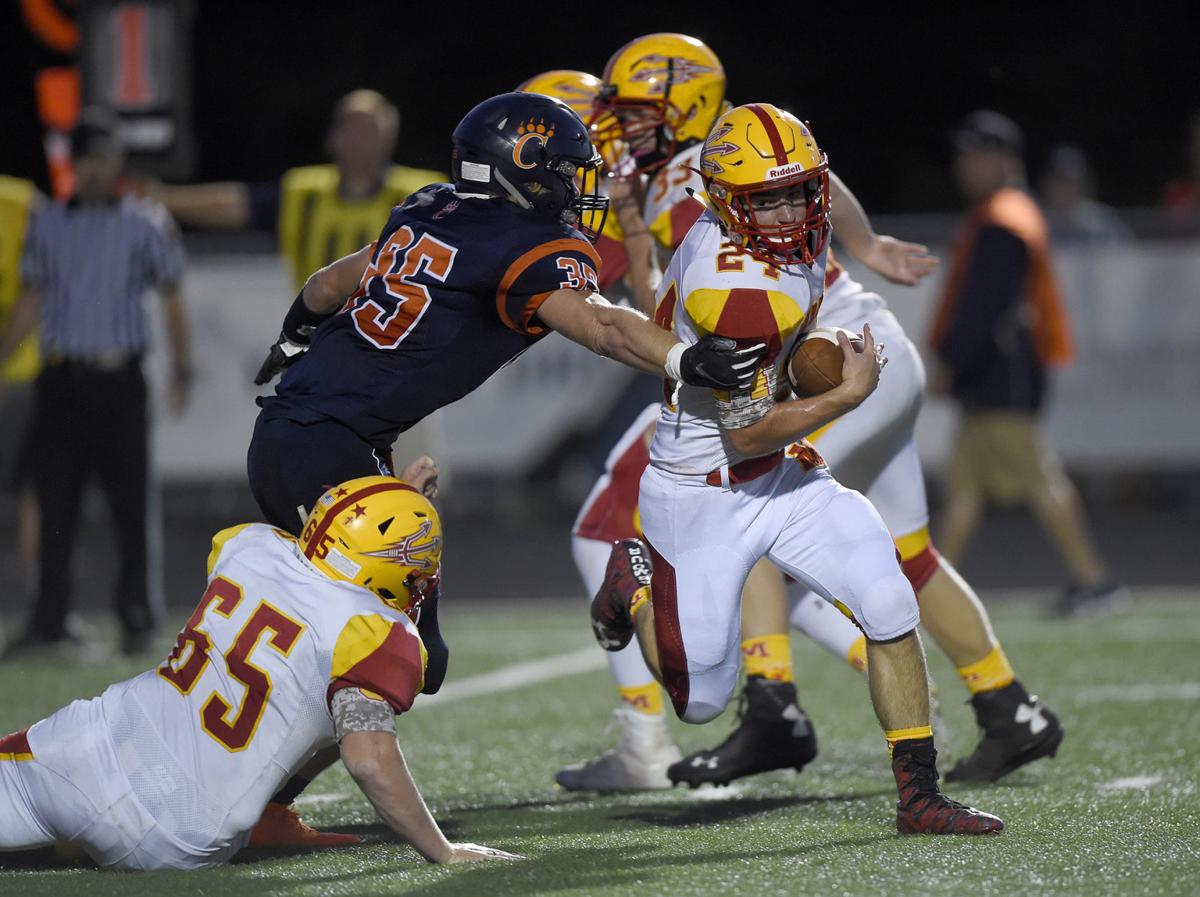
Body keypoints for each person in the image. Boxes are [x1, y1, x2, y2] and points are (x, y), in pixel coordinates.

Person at [242, 90, 762, 835]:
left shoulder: (428, 205)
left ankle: (264, 795)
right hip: (325, 450)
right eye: (564, 170)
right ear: (524, 168)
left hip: (319, 442)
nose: (575, 187)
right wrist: (687, 357)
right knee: (394, 651)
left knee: (405, 649)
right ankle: (256, 793)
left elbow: (328, 285)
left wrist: (294, 341)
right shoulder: (523, 243)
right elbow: (604, 327)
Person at [560, 35, 1061, 793]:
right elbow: (705, 271)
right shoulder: (746, 139)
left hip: (830, 364)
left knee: (751, 504)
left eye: (634, 114)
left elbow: (673, 312)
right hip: (875, 343)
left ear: (680, 104)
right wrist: (863, 242)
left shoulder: (692, 176)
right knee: (909, 555)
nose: (621, 128)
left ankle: (772, 706)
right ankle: (1008, 703)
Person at [0, 475, 521, 869]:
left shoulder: (248, 546)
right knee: (334, 708)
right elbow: (368, 759)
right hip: (179, 834)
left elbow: (313, 578)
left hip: (90, 750)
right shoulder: (374, 633)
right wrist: (443, 851)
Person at [141, 89, 451, 479]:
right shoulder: (304, 193)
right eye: (352, 127)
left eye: (371, 128)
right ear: (333, 137)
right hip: (323, 362)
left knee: (411, 493)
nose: (361, 138)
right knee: (322, 488)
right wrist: (164, 199)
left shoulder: (421, 194)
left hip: (400, 366)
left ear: (391, 136)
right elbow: (237, 204)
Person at [0, 110, 193, 658]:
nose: (93, 169)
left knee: (130, 503)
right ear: (72, 164)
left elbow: (172, 296)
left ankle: (136, 616)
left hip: (119, 378)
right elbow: (32, 299)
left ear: (117, 163)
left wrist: (182, 367)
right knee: (55, 502)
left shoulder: (145, 222)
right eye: (84, 159)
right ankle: (50, 619)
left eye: (102, 158)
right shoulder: (49, 222)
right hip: (61, 378)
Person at [931, 110, 1128, 618]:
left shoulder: (1004, 219)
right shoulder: (1007, 212)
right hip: (1001, 375)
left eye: (976, 156)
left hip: (1002, 377)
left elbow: (983, 304)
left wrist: (951, 359)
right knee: (966, 491)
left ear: (1003, 160)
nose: (965, 166)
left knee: (1038, 482)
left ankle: (1096, 582)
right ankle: (929, 592)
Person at [0, 176, 43, 603]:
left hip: (17, 372)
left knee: (34, 482)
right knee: (32, 484)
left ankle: (32, 588)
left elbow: (37, 288)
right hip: (18, 369)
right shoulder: (22, 201)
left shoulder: (21, 203)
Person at [1039, 144, 1130, 245]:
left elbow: (1121, 254)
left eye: (1072, 182)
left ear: (1084, 184)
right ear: (1047, 183)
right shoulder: (1037, 223)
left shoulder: (1101, 223)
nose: (1066, 188)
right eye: (1060, 181)